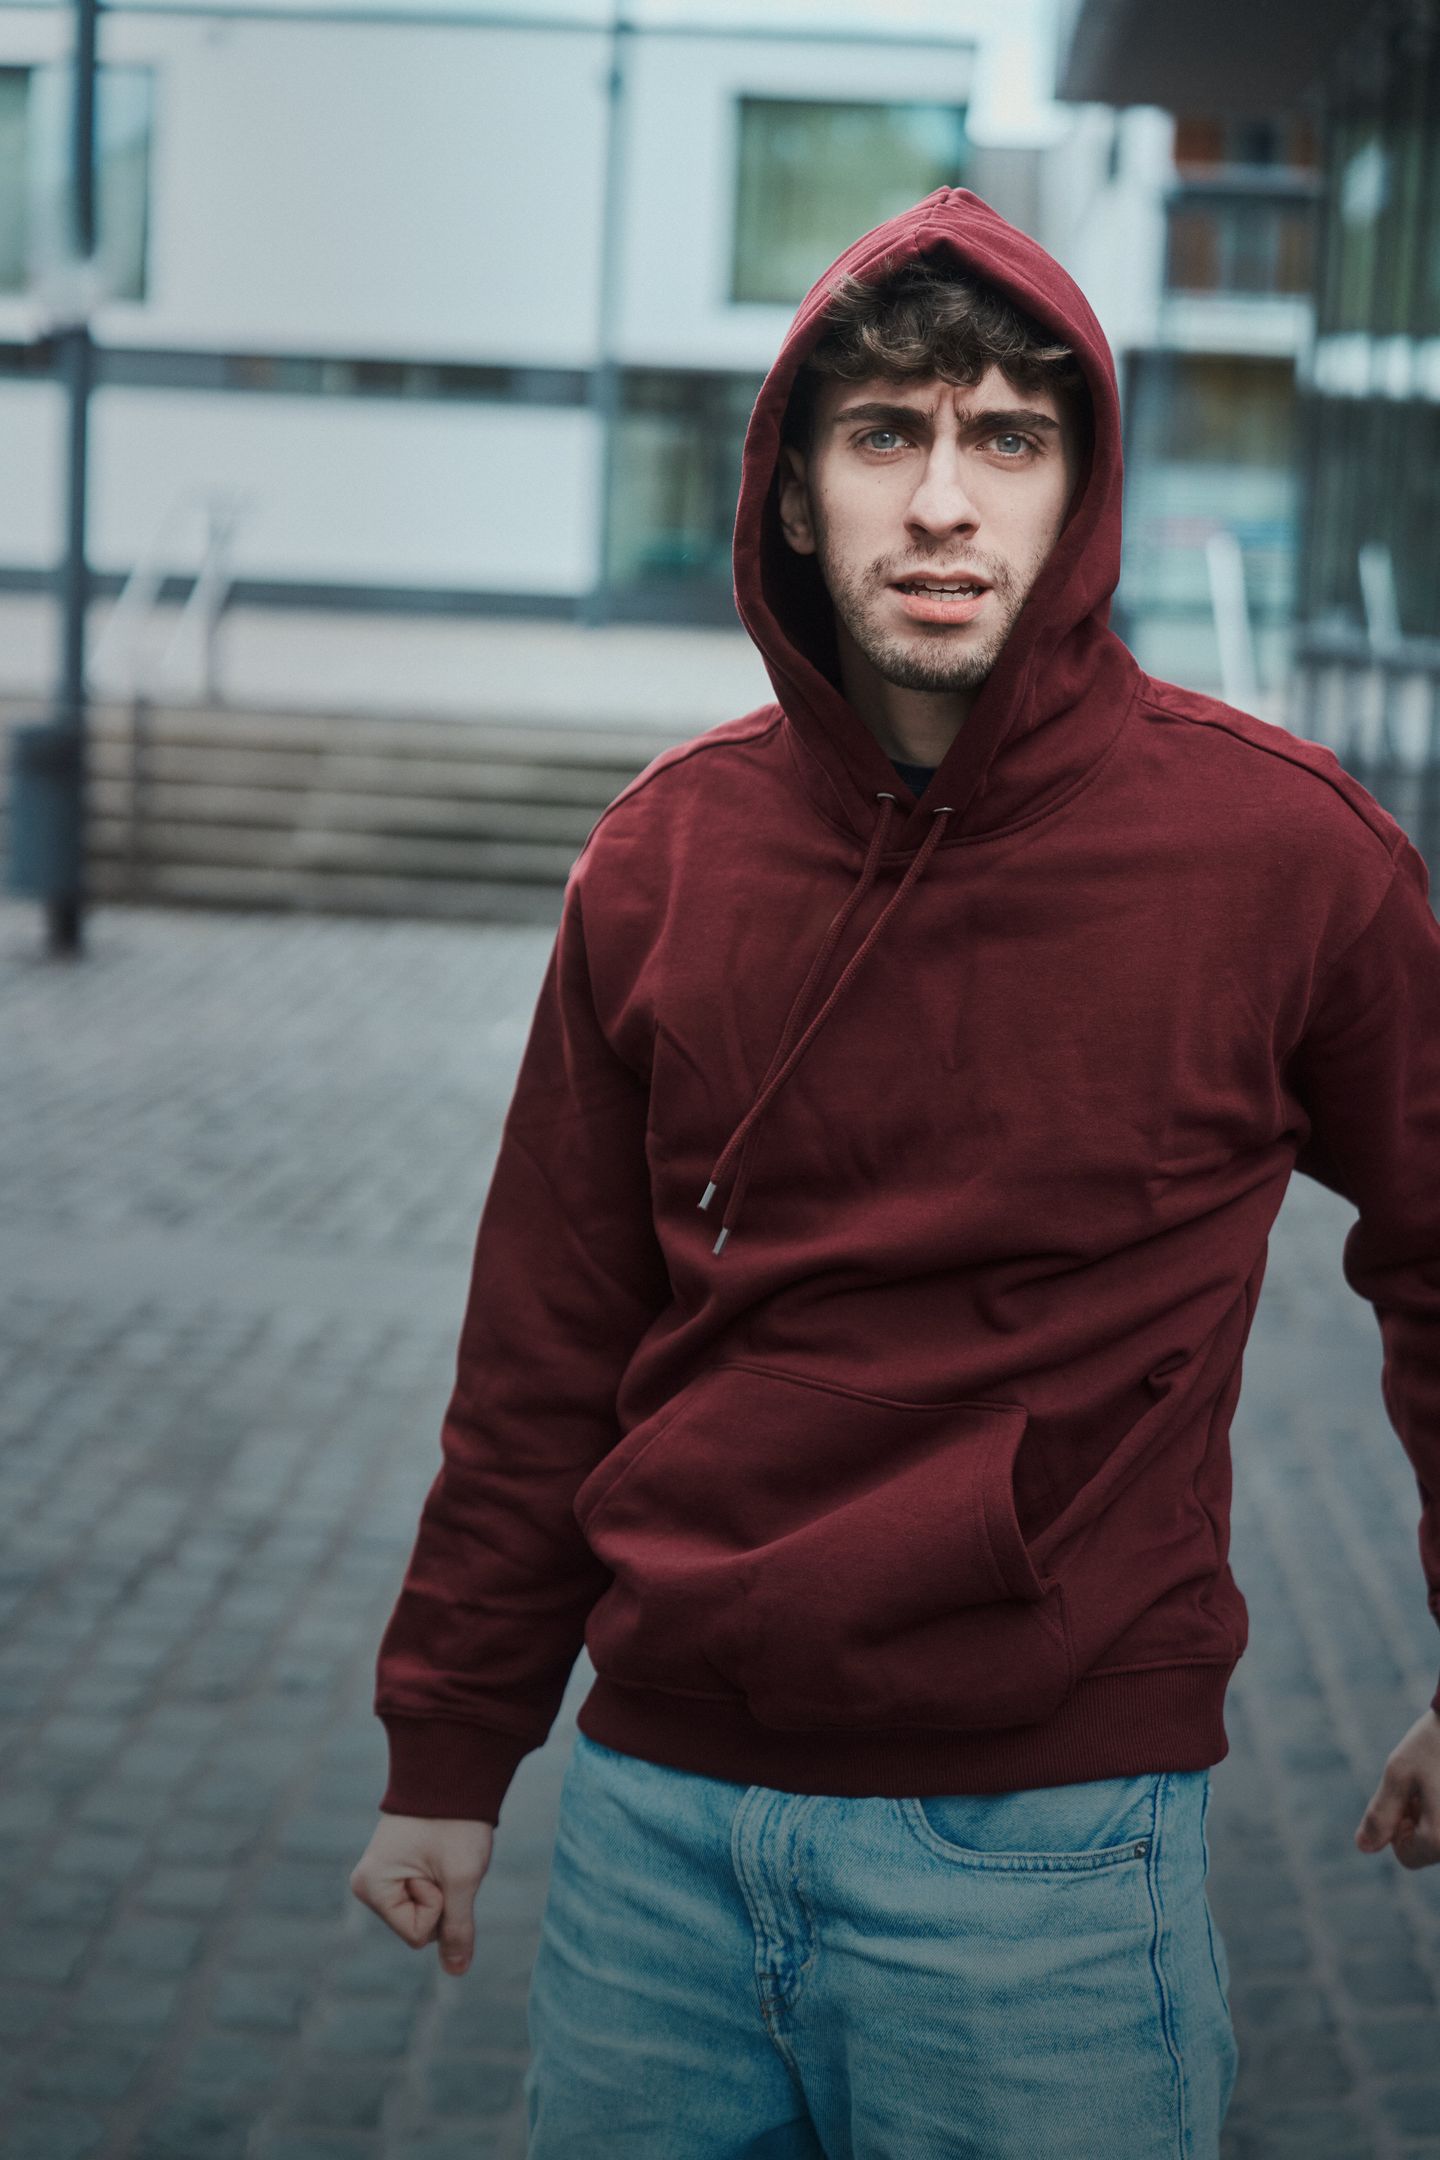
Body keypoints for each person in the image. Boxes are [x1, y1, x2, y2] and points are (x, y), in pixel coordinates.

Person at [349, 187, 1440, 2156]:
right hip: (656, 1839)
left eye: (1006, 440)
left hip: (1045, 1849)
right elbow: (544, 1344)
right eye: (884, 436)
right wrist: (450, 1745)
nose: (943, 503)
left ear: (1081, 493)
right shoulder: (663, 859)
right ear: (791, 490)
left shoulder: (1288, 858)